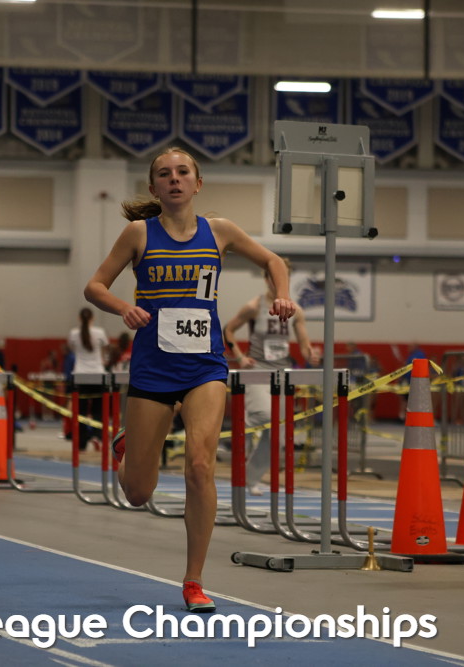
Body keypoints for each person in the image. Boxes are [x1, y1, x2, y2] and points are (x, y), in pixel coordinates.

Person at [83, 146, 297, 613]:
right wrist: (123, 308)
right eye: (165, 174)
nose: (175, 179)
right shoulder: (139, 233)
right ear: (154, 187)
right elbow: (94, 286)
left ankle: (194, 580)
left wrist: (282, 295)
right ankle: (128, 447)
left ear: (198, 184)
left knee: (200, 465)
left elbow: (274, 262)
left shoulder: (219, 232)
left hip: (206, 367)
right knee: (138, 493)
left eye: (183, 172)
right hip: (153, 368)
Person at [223, 258, 318, 495]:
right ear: (267, 279)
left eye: (284, 277)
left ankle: (250, 478)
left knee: (278, 434)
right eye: (274, 278)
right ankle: (240, 424)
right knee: (266, 415)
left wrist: (311, 354)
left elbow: (304, 343)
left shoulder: (296, 310)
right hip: (257, 371)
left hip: (282, 374)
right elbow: (228, 330)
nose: (279, 282)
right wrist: (240, 356)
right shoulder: (254, 306)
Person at [68, 308, 109, 451]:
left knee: (81, 412)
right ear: (93, 318)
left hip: (80, 375)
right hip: (98, 374)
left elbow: (73, 350)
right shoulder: (100, 332)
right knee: (99, 411)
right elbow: (104, 353)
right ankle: (97, 437)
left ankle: (82, 443)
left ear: (79, 318)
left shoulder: (74, 333)